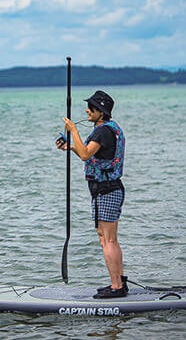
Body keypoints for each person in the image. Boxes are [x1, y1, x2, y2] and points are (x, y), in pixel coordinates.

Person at [56, 90, 128, 298]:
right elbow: (89, 152)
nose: (87, 110)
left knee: (109, 240)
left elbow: (86, 154)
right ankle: (118, 282)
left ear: (102, 112)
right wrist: (70, 146)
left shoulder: (103, 131)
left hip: (107, 190)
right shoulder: (106, 130)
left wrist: (73, 131)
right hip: (104, 190)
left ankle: (117, 287)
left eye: (92, 107)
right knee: (105, 238)